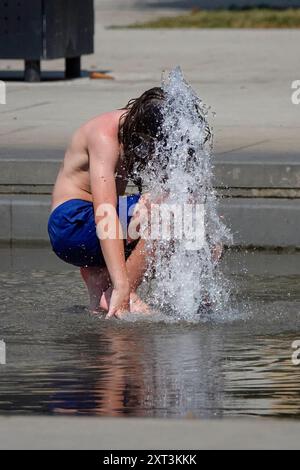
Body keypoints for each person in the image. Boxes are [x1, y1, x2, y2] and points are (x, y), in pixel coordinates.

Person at [48, 88, 164, 319]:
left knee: (191, 226)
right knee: (170, 213)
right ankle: (120, 291)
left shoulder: (134, 132)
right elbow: (105, 211)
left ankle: (99, 279)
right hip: (73, 224)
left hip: (89, 231)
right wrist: (123, 284)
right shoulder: (104, 135)